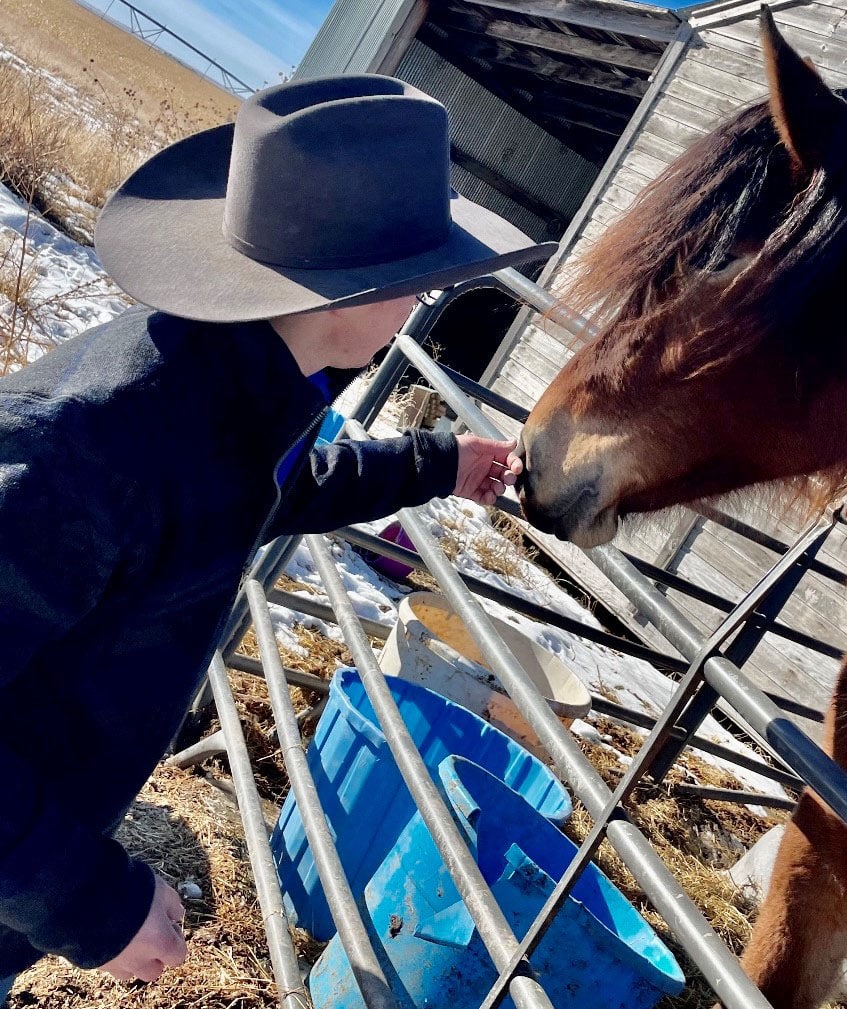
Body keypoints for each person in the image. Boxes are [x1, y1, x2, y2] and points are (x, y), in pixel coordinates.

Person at [0, 75, 552, 1001]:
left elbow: (267, 489)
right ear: (352, 292)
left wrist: (438, 462)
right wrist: (96, 903)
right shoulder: (91, 451)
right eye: (417, 281)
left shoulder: (224, 388)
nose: (419, 305)